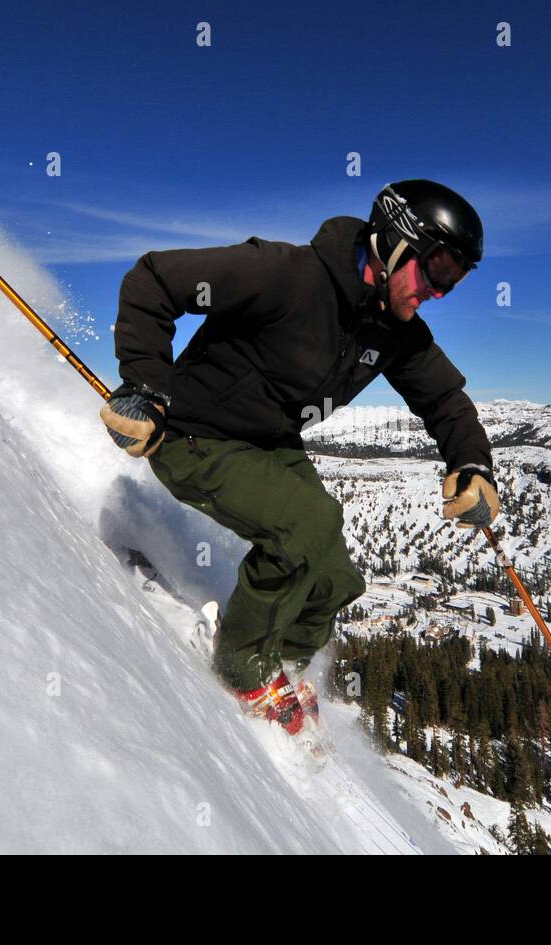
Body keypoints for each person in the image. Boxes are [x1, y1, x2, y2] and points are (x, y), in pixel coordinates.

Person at [101, 180, 499, 735]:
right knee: (306, 523)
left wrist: (471, 462)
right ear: (394, 242)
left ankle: (281, 657)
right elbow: (153, 278)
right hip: (194, 436)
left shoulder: (392, 330)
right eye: (439, 268)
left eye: (454, 279)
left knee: (337, 579)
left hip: (270, 444)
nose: (440, 289)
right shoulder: (285, 275)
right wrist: (145, 386)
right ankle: (242, 665)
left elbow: (444, 400)